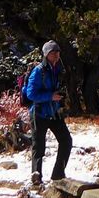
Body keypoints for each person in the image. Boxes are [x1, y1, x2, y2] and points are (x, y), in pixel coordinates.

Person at [24, 40, 71, 188]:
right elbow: (31, 94)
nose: (56, 55)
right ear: (46, 54)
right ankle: (36, 177)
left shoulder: (58, 69)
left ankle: (58, 174)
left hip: (53, 112)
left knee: (66, 140)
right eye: (53, 52)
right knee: (39, 146)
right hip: (39, 113)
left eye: (58, 52)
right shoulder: (38, 71)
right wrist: (50, 96)